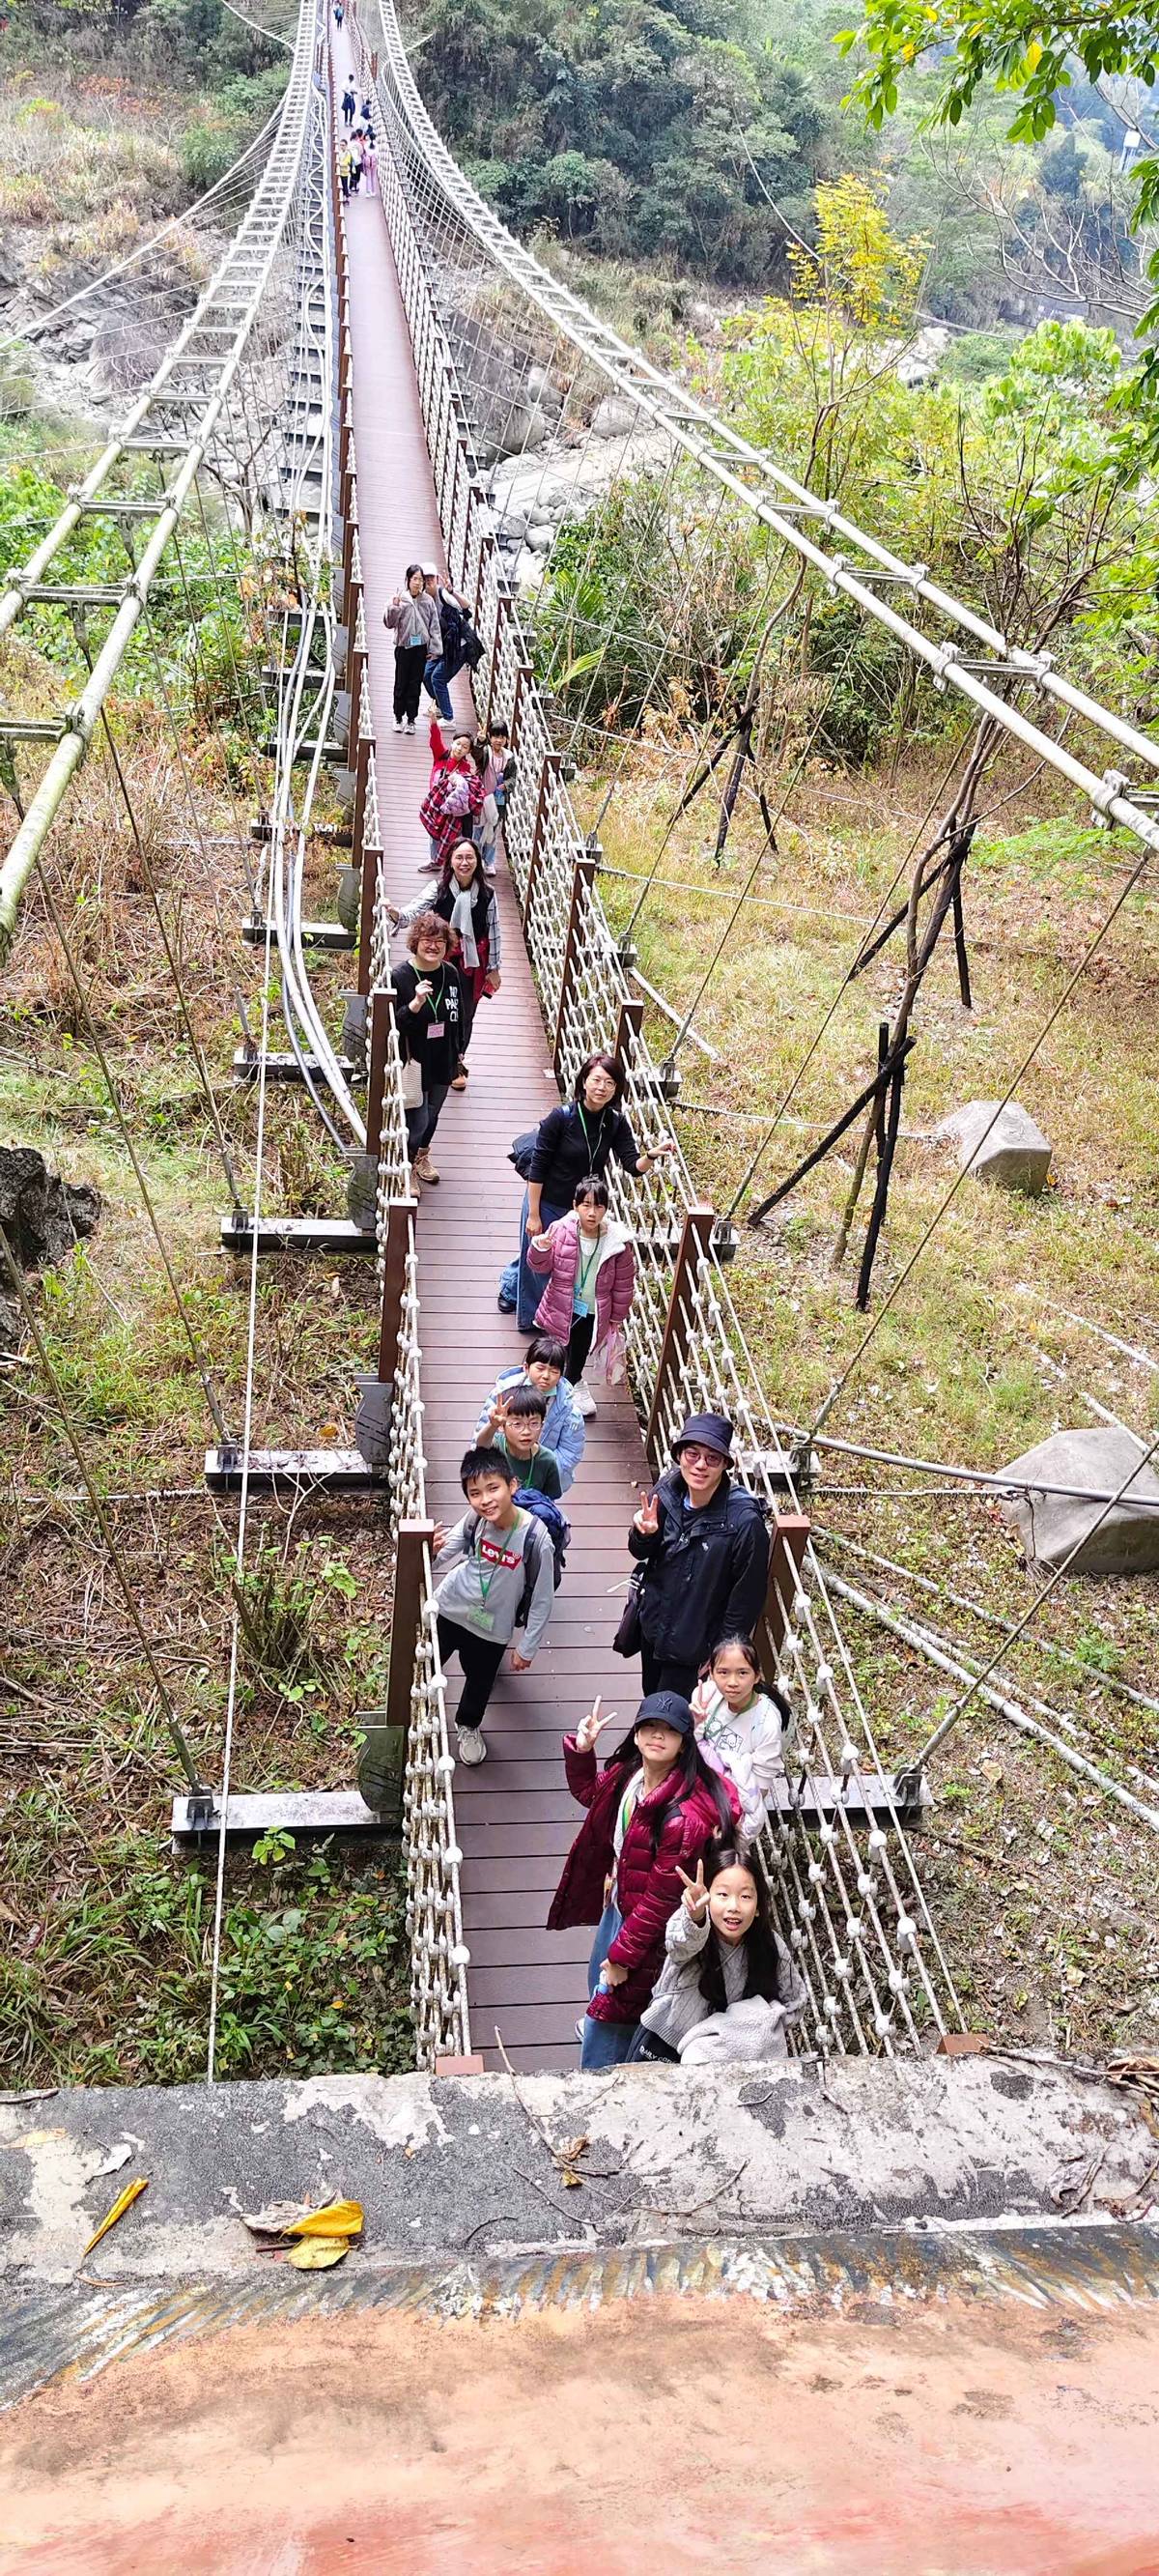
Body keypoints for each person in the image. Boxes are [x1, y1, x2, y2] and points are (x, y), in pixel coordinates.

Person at [548, 1691, 738, 2069]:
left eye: (669, 1730)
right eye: (649, 1726)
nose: (657, 1735)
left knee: (615, 2000)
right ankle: (598, 2024)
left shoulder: (681, 1819)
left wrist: (622, 1958)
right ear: (635, 1734)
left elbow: (659, 1902)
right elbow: (591, 1793)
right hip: (621, 1898)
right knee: (598, 1977)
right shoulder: (631, 1776)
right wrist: (582, 1750)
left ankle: (599, 2079)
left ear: (684, 1744)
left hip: (645, 1925)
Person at [498, 1050, 673, 1331]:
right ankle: (530, 1316)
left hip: (582, 1207)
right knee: (537, 1255)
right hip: (547, 1199)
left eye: (609, 1083)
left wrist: (650, 1154)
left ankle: (516, 1288)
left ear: (616, 1089)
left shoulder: (614, 1122)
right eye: (596, 1080)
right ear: (583, 1082)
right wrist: (533, 1213)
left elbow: (633, 1166)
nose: (601, 1088)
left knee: (559, 1258)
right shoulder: (561, 1117)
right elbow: (539, 1165)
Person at [628, 1414, 771, 1702]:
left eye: (712, 1458)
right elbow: (641, 1553)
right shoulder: (667, 1491)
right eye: (692, 1454)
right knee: (652, 1698)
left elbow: (745, 1599)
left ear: (725, 1465)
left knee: (677, 1718)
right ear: (679, 1455)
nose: (701, 1465)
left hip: (694, 1648)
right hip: (654, 1628)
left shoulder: (744, 1523)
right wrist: (643, 1534)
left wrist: (722, 1653)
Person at [432, 1448, 555, 1765]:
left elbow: (542, 1599)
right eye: (475, 1493)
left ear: (512, 1486)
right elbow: (444, 1555)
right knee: (427, 1663)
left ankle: (468, 1725)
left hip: (493, 1626)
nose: (485, 1500)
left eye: (493, 1488)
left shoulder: (536, 1539)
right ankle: (415, 1709)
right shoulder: (475, 1520)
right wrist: (429, 1548)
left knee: (480, 1680)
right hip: (451, 1607)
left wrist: (527, 1646)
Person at [631, 1846, 806, 2065]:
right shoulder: (693, 1927)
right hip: (665, 2045)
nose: (733, 1907)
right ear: (707, 1897)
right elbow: (679, 1945)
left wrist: (747, 2024)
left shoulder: (770, 1946)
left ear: (759, 1906)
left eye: (745, 1896)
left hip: (728, 2055)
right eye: (722, 1895)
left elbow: (795, 2002)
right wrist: (695, 1916)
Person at [388, 840, 500, 1087]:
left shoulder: (487, 893)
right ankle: (427, 1056)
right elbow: (415, 911)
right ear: (450, 861)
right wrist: (397, 914)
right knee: (439, 1007)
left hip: (473, 962)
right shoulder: (438, 889)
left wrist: (494, 967)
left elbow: (493, 930)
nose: (464, 863)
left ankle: (457, 1059)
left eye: (470, 857)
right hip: (440, 957)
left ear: (478, 862)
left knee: (466, 1011)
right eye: (459, 857)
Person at [526, 1174, 635, 1420]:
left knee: (580, 1351)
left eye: (598, 1206)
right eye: (586, 1205)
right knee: (555, 1348)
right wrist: (540, 1248)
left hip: (593, 1309)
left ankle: (572, 1382)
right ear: (575, 1206)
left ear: (606, 1208)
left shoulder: (618, 1243)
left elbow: (623, 1284)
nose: (592, 1212)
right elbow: (541, 1268)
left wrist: (616, 1318)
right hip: (560, 1303)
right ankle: (546, 1385)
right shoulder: (561, 1230)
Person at [691, 1633, 790, 1847]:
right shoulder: (705, 1695)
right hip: (696, 1782)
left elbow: (759, 1788)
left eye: (742, 1673)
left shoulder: (766, 1723)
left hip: (727, 1802)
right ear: (711, 1673)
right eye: (723, 1673)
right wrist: (693, 1722)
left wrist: (734, 1830)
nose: (732, 1683)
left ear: (756, 1676)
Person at [391, 911, 468, 1188]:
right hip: (414, 1058)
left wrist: (459, 1050)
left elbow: (459, 1013)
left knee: (433, 1114)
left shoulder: (450, 973)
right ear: (416, 942)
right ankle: (407, 1165)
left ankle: (422, 1157)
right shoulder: (400, 976)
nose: (433, 946)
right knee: (419, 1117)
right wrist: (415, 1004)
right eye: (427, 940)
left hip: (443, 1057)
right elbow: (393, 1023)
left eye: (439, 941)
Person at [475, 1334, 585, 1492]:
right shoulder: (503, 1396)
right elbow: (480, 1441)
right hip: (500, 1474)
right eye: (540, 1368)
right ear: (526, 1367)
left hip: (540, 1480)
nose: (546, 1376)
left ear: (561, 1375)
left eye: (554, 1371)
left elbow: (570, 1452)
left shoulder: (569, 1411)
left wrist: (544, 1473)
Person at [384, 564, 443, 734]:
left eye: (421, 580)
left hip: (420, 648)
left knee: (415, 684)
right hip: (403, 647)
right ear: (408, 580)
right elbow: (389, 623)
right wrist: (394, 608)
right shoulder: (400, 599)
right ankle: (397, 717)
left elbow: (434, 626)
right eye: (415, 579)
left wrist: (435, 648)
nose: (418, 583)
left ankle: (411, 720)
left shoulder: (427, 601)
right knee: (401, 682)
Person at [419, 718, 483, 872]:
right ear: (452, 743)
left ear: (468, 751)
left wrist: (481, 743)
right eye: (458, 744)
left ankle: (448, 862)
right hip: (436, 802)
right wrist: (433, 721)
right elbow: (435, 740)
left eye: (465, 747)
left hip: (450, 806)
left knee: (448, 834)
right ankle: (434, 860)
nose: (460, 748)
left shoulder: (466, 767)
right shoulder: (441, 756)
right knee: (434, 832)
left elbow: (479, 764)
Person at [484, 1384, 563, 1498]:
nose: (526, 1431)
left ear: (542, 1425)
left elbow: (550, 1500)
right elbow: (481, 1446)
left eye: (534, 1423)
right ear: (502, 1426)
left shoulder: (547, 1460)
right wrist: (492, 1426)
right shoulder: (496, 1446)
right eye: (517, 1424)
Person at [421, 567, 473, 723]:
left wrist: (452, 592)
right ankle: (439, 706)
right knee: (426, 674)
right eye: (425, 579)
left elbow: (465, 606)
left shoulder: (443, 594)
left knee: (438, 678)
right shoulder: (424, 600)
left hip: (459, 646)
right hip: (443, 647)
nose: (429, 582)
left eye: (432, 578)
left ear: (437, 579)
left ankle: (449, 718)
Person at [479, 722, 514, 877]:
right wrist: (479, 742)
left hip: (498, 801)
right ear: (489, 737)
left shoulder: (510, 758)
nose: (498, 740)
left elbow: (513, 778)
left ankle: (489, 861)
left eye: (502, 737)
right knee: (478, 829)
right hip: (481, 797)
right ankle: (476, 858)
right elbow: (476, 753)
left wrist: (506, 785)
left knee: (493, 831)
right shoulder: (485, 752)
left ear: (506, 739)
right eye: (495, 736)